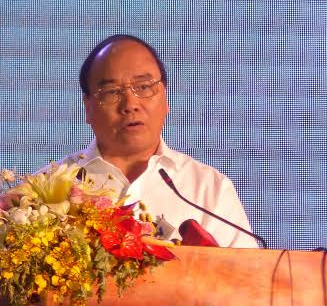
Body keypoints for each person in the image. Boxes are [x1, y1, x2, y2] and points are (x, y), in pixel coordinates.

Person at [50, 34, 257, 248]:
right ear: (87, 107)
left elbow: (248, 270)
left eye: (143, 87)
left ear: (165, 98)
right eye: (111, 92)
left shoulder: (209, 190)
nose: (130, 104)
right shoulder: (45, 192)